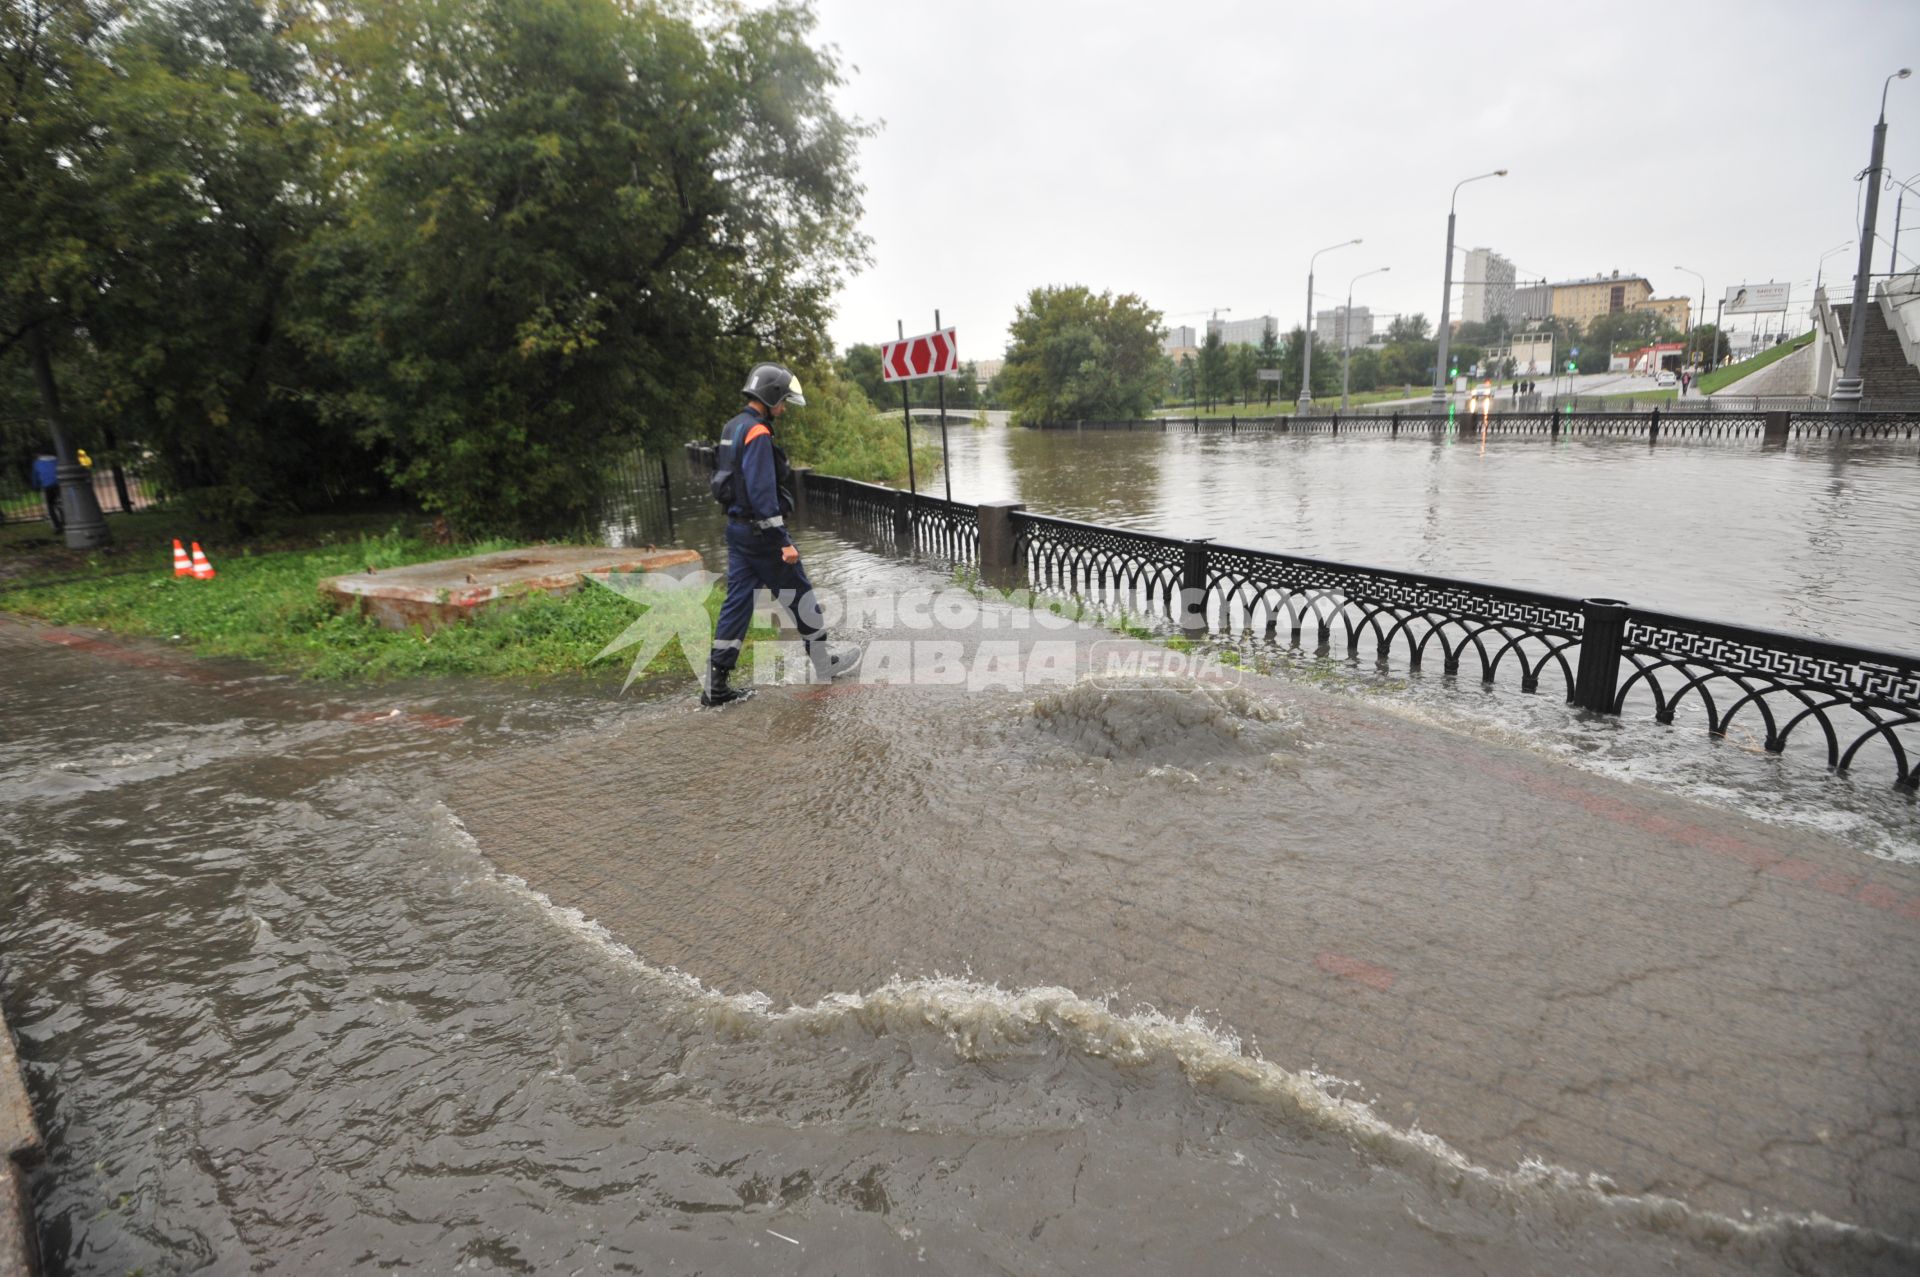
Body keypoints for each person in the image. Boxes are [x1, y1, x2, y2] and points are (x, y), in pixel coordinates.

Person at [702, 363, 860, 707]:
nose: (784, 408)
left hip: (737, 531)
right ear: (770, 396)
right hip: (761, 535)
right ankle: (824, 662)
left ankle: (716, 681)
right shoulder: (757, 433)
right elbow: (761, 493)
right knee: (800, 593)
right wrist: (783, 543)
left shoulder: (732, 427)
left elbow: (730, 483)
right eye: (783, 401)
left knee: (737, 603)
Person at [30, 453, 62, 531]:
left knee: (50, 506)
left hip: (47, 486)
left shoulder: (37, 463)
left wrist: (35, 487)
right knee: (61, 503)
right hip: (60, 484)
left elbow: (35, 477)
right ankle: (65, 520)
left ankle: (57, 526)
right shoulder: (57, 460)